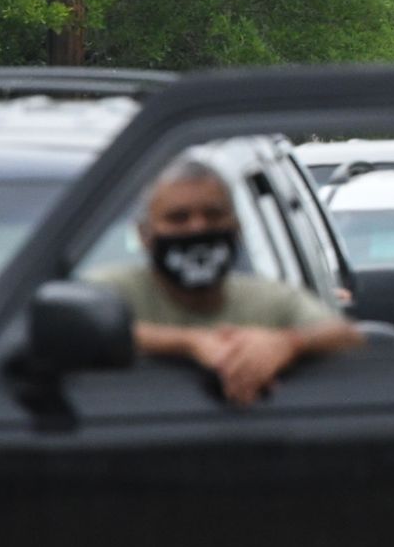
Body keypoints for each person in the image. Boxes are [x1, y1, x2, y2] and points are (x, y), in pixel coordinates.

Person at [90, 158, 362, 404]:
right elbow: (62, 327)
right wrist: (189, 343)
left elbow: (344, 335)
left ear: (237, 227)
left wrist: (286, 344)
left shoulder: (269, 299)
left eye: (213, 215)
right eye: (178, 218)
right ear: (144, 234)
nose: (198, 228)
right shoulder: (111, 291)